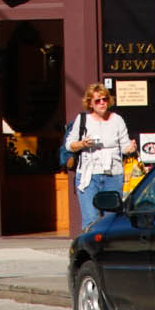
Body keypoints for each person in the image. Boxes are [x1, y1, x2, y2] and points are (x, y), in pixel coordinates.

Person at [64, 84, 133, 232]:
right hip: (88, 175)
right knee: (91, 220)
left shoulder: (117, 120)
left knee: (112, 219)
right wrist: (82, 143)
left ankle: (111, 252)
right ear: (90, 103)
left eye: (105, 99)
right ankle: (91, 251)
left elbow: (125, 146)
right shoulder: (82, 119)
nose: (102, 103)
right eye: (97, 100)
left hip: (113, 174)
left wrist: (131, 148)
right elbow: (69, 145)